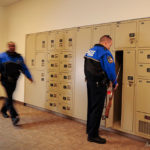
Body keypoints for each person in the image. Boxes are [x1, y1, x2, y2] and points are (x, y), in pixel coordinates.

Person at [84, 35, 118, 144]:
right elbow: (111, 70)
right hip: (99, 84)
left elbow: (86, 67)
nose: (109, 47)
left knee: (91, 107)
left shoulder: (91, 51)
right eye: (110, 45)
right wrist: (115, 82)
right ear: (105, 43)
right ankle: (93, 136)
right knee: (97, 109)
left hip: (90, 83)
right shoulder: (105, 53)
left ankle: (89, 130)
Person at [0, 41, 33, 126]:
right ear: (8, 47)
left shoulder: (19, 57)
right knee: (10, 97)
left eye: (13, 46)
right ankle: (14, 117)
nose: (12, 47)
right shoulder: (2, 56)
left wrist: (29, 77)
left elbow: (24, 68)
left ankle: (3, 110)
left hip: (14, 81)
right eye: (10, 46)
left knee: (9, 96)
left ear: (15, 47)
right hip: (5, 80)